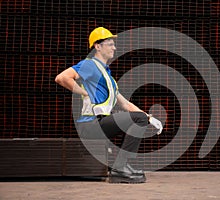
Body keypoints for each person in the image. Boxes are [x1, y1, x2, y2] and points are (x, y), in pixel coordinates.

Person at [55, 27, 163, 184]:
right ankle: (120, 167)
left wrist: (149, 117)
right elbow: (62, 78)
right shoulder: (90, 65)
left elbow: (125, 104)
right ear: (98, 46)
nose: (114, 47)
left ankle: (122, 165)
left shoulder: (108, 77)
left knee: (139, 118)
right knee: (138, 119)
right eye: (110, 44)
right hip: (90, 124)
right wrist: (82, 92)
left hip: (101, 124)